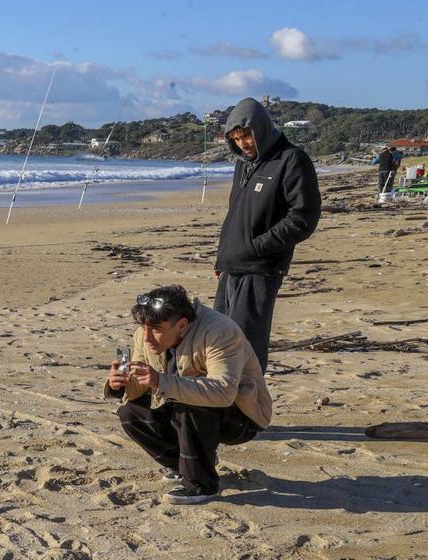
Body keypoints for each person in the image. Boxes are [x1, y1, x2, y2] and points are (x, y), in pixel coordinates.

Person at [105, 285, 272, 505]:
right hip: (185, 408)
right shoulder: (144, 335)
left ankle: (201, 485)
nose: (146, 337)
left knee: (189, 405)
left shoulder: (220, 331)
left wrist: (161, 380)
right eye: (143, 327)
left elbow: (224, 392)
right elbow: (139, 389)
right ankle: (185, 466)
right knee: (130, 413)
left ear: (182, 325)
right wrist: (118, 385)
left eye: (155, 329)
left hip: (243, 416)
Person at [214, 97, 321, 373]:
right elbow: (235, 215)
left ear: (260, 128)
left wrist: (258, 247)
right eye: (236, 139)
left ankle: (249, 411)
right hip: (231, 266)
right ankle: (223, 407)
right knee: (218, 341)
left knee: (246, 345)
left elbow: (304, 217)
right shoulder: (243, 164)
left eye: (246, 135)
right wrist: (222, 258)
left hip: (260, 268)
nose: (243, 144)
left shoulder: (291, 159)